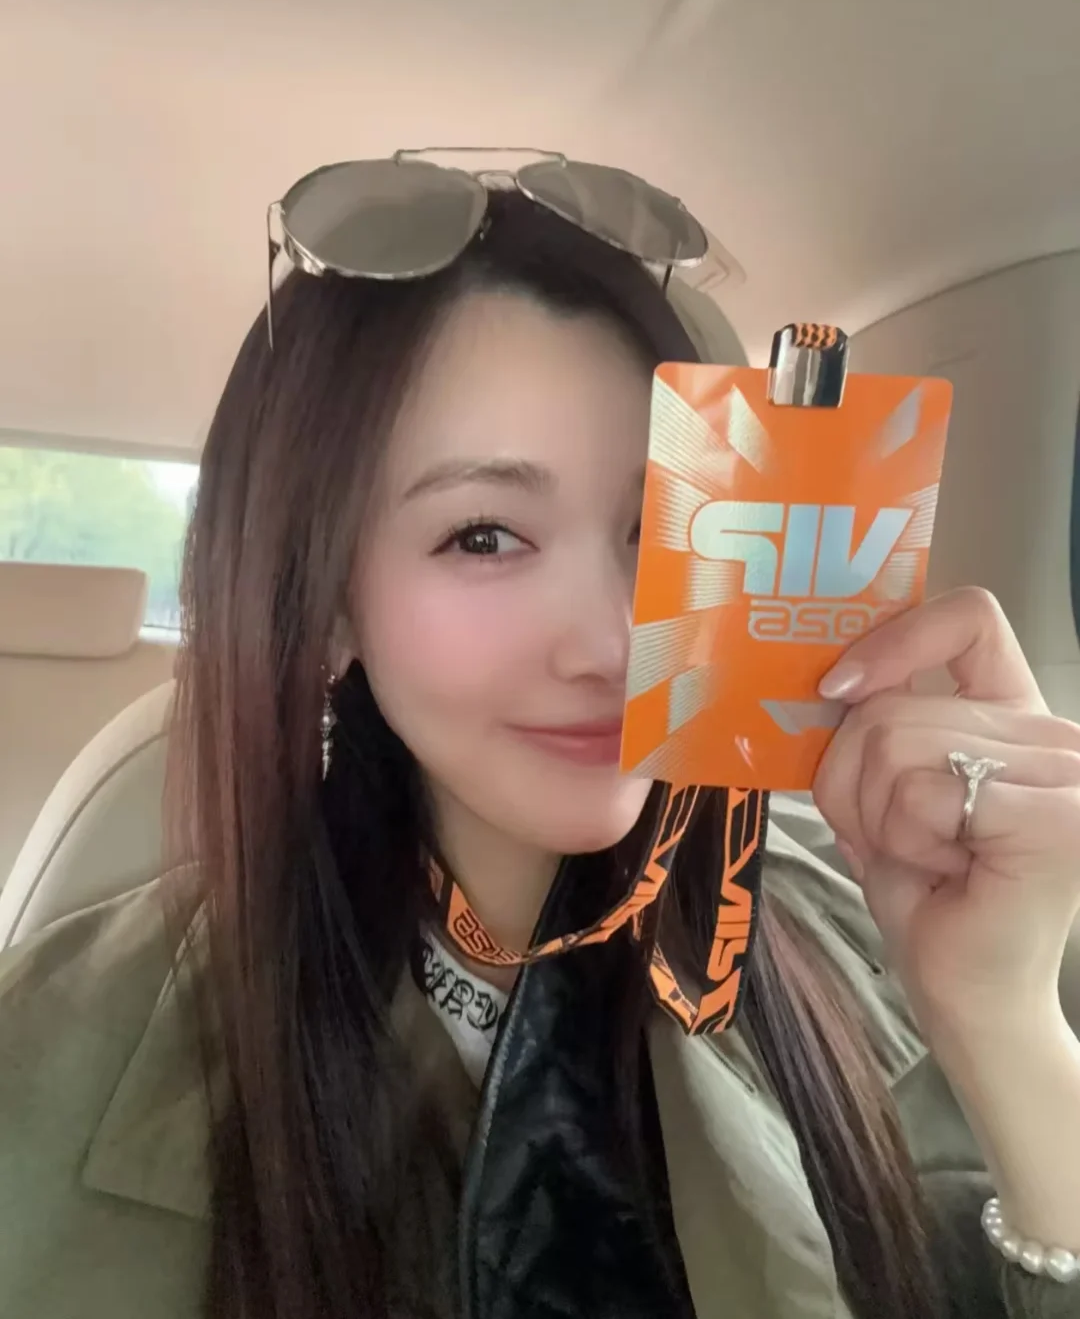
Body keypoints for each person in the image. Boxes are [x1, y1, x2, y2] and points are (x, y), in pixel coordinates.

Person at [1, 155, 1078, 1319]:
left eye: (657, 526)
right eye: (484, 536)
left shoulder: (862, 923)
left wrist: (1004, 1019)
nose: (614, 643)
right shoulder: (48, 1056)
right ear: (329, 604)